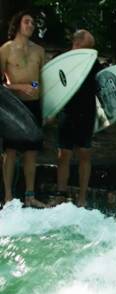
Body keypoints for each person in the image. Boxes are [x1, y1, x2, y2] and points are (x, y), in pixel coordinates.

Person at [0, 10, 46, 207]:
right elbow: (1, 84)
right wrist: (20, 87)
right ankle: (9, 196)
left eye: (33, 23)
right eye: (27, 22)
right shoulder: (5, 49)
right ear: (18, 24)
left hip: (34, 104)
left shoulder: (39, 51)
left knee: (31, 152)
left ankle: (30, 195)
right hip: (13, 105)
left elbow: (40, 82)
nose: (31, 25)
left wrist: (34, 89)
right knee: (10, 151)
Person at [51, 30, 102, 208]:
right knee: (63, 154)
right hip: (67, 112)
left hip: (87, 113)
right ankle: (61, 194)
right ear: (78, 43)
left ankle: (82, 198)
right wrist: (48, 109)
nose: (92, 51)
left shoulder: (93, 62)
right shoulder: (61, 59)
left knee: (84, 154)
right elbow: (45, 81)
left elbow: (100, 87)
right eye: (89, 47)